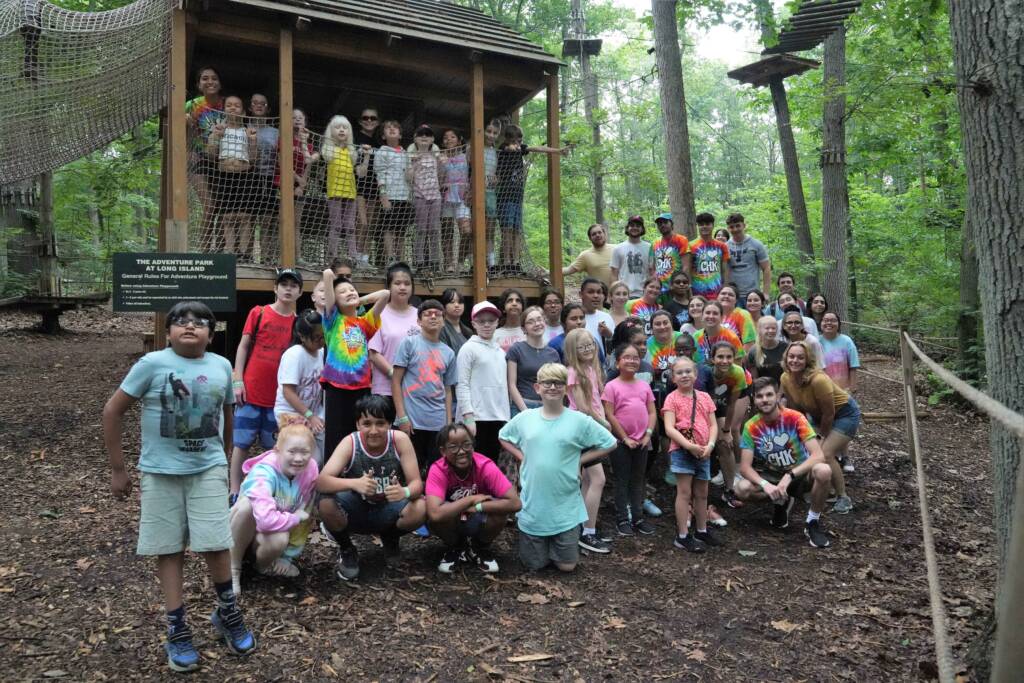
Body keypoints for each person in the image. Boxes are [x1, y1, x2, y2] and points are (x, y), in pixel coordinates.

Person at [103, 302, 255, 671]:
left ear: (212, 332)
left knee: (216, 543)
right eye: (181, 322)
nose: (190, 327)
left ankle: (227, 612)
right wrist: (118, 469)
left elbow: (227, 414)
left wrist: (226, 455)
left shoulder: (220, 365)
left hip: (208, 468)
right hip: (161, 472)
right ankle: (177, 626)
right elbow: (112, 411)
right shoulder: (152, 365)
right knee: (169, 548)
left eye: (200, 322)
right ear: (168, 331)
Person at [499, 363, 616, 571]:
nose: (552, 387)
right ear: (537, 388)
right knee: (535, 565)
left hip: (565, 509)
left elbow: (609, 442)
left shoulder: (579, 421)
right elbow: (503, 436)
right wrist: (521, 456)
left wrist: (580, 460)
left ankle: (564, 543)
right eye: (547, 383)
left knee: (566, 566)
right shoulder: (526, 418)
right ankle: (540, 545)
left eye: (558, 383)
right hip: (533, 507)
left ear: (566, 388)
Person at [317, 395, 427, 580]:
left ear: (390, 424)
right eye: (367, 423)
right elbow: (321, 481)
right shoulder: (350, 443)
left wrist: (404, 491)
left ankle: (390, 537)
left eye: (380, 423)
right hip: (355, 507)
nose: (374, 430)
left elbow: (417, 484)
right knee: (326, 504)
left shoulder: (399, 441)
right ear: (358, 425)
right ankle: (347, 549)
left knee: (421, 507)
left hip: (389, 507)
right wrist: (354, 483)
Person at [734, 377, 833, 548]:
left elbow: (818, 455)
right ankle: (780, 501)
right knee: (741, 489)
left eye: (769, 395)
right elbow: (744, 467)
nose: (765, 400)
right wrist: (766, 484)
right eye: (759, 396)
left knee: (823, 470)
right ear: (754, 400)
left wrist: (790, 475)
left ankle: (812, 522)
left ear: (777, 396)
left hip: (800, 473)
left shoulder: (794, 418)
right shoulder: (751, 426)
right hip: (772, 475)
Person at [230, 268, 301, 497]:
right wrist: (238, 380)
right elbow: (243, 345)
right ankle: (234, 490)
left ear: (300, 292)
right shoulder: (259, 312)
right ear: (275, 288)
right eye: (284, 284)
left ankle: (268, 492)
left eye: (293, 285)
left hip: (279, 398)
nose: (288, 289)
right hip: (250, 392)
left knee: (274, 447)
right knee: (241, 443)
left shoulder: (299, 324)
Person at [229, 423, 318, 595]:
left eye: (304, 452)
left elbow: (305, 510)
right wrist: (294, 518)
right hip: (240, 531)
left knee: (280, 539)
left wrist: (287, 556)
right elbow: (265, 521)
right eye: (291, 452)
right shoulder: (263, 473)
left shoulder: (311, 470)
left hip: (264, 537)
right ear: (278, 451)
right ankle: (232, 568)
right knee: (248, 506)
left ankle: (263, 565)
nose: (298, 458)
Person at [426, 423, 522, 573]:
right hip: (452, 518)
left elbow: (515, 503)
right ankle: (457, 547)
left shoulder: (485, 466)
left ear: (473, 445)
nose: (461, 451)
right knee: (431, 514)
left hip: (479, 516)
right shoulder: (438, 470)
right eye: (453, 447)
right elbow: (435, 513)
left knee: (500, 511)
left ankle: (479, 547)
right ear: (443, 451)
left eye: (466, 445)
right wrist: (470, 500)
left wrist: (477, 507)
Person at [319, 268, 390, 461]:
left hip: (361, 387)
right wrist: (336, 282)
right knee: (336, 434)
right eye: (342, 292)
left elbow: (385, 294)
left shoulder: (364, 323)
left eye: (352, 290)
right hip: (336, 387)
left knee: (359, 433)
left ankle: (357, 470)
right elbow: (327, 274)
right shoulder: (332, 320)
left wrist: (360, 301)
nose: (349, 293)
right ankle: (333, 479)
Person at [780, 340, 859, 514]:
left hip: (844, 414)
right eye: (791, 356)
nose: (795, 361)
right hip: (817, 415)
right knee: (808, 451)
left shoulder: (818, 380)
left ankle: (843, 497)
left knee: (825, 453)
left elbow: (829, 413)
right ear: (786, 358)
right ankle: (825, 489)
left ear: (808, 360)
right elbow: (796, 408)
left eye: (800, 357)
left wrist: (822, 437)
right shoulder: (785, 377)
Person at [392, 299, 457, 474]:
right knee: (409, 470)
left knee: (436, 471)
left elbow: (448, 389)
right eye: (428, 314)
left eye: (438, 314)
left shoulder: (449, 353)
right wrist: (402, 417)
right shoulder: (409, 343)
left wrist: (448, 423)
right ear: (419, 321)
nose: (433, 317)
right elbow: (396, 381)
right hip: (412, 420)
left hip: (438, 422)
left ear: (443, 320)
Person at [663, 356, 720, 552]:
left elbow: (713, 424)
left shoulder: (704, 397)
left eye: (688, 371)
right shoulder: (672, 398)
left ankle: (702, 530)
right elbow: (669, 428)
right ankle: (682, 535)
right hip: (682, 451)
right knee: (684, 492)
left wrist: (710, 445)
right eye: (679, 372)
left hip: (704, 451)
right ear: (673, 378)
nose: (684, 375)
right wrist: (688, 446)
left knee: (702, 492)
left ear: (695, 374)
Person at [495, 124, 569, 273]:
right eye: (517, 139)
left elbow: (538, 148)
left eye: (520, 139)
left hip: (517, 197)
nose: (519, 142)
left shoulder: (520, 149)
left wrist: (558, 151)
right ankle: (507, 261)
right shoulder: (503, 149)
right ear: (509, 139)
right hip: (505, 197)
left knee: (516, 229)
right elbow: (506, 148)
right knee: (507, 229)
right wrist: (510, 147)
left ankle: (515, 262)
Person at [564, 328, 612, 553]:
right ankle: (588, 532)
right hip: (584, 428)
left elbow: (596, 401)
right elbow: (583, 407)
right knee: (598, 479)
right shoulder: (573, 372)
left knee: (586, 480)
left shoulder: (592, 369)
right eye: (582, 347)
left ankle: (582, 526)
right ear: (573, 350)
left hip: (593, 426)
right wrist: (603, 425)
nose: (587, 350)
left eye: (590, 345)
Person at [602, 344, 657, 536]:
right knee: (622, 479)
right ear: (617, 363)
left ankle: (638, 517)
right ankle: (622, 518)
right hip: (621, 443)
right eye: (627, 357)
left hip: (642, 441)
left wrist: (648, 434)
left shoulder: (644, 386)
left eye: (635, 358)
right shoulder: (611, 386)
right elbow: (609, 414)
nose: (632, 361)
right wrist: (624, 438)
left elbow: (652, 411)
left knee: (638, 479)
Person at [455, 301, 510, 460]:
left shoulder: (500, 351)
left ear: (497, 323)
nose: (486, 324)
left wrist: (506, 416)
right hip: (476, 418)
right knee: (474, 463)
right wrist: (468, 417)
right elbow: (462, 383)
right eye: (481, 321)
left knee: (491, 464)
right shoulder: (468, 348)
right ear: (473, 324)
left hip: (497, 417)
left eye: (491, 321)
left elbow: (502, 386)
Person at [207, 95, 258, 259]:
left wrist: (252, 141)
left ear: (243, 112)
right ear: (224, 110)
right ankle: (229, 253)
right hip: (224, 175)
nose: (233, 108)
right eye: (229, 105)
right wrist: (215, 136)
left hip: (244, 175)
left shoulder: (247, 131)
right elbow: (210, 154)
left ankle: (244, 254)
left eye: (237, 105)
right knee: (227, 217)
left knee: (244, 217)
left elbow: (254, 158)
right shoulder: (219, 129)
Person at [273, 309, 326, 464]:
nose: (321, 341)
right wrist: (310, 416)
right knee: (306, 459)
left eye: (323, 336)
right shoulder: (295, 354)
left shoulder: (321, 352)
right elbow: (288, 392)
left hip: (313, 413)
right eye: (317, 338)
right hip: (291, 414)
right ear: (302, 336)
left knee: (320, 458)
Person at [368, 262, 419, 403]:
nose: (402, 287)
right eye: (397, 283)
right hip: (385, 390)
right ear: (389, 287)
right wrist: (396, 376)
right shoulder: (378, 314)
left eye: (407, 283)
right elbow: (373, 353)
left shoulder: (420, 315)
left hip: (415, 390)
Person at [185, 66, 224, 251]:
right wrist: (187, 151)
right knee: (209, 205)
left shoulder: (227, 105)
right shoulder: (192, 105)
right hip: (197, 158)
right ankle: (205, 250)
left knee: (222, 208)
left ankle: (221, 250)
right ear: (199, 85)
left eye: (214, 78)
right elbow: (179, 131)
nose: (210, 82)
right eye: (205, 79)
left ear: (220, 83)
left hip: (221, 161)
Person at [707, 341, 748, 510]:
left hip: (721, 408)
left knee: (725, 444)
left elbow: (731, 405)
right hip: (701, 410)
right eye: (720, 357)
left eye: (729, 357)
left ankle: (729, 490)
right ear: (712, 358)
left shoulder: (737, 373)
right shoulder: (704, 372)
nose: (725, 361)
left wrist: (726, 431)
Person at [322, 115, 368, 261]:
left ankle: (353, 257)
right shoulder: (329, 150)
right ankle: (332, 257)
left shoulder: (351, 152)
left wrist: (366, 156)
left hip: (350, 193)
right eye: (338, 127)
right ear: (331, 131)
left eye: (345, 128)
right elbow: (326, 159)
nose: (342, 130)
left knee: (350, 226)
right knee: (336, 225)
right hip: (335, 192)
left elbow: (361, 173)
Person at [507, 306, 561, 416]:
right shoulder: (516, 349)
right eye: (530, 322)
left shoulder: (553, 353)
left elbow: (558, 384)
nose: (537, 324)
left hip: (547, 407)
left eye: (539, 319)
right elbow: (511, 385)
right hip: (522, 406)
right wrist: (525, 411)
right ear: (523, 329)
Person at [375, 119, 414, 265]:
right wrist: (383, 195)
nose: (392, 129)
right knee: (389, 228)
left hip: (405, 197)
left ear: (400, 135)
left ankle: (402, 259)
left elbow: (409, 177)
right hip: (390, 196)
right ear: (383, 136)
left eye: (395, 128)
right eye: (388, 128)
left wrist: (413, 168)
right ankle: (391, 258)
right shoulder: (382, 151)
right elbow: (380, 174)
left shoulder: (405, 153)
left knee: (401, 230)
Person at [408, 124, 444, 272]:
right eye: (420, 134)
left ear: (432, 139)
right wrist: (414, 162)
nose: (424, 137)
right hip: (419, 196)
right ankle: (419, 260)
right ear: (415, 139)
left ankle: (435, 261)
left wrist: (442, 164)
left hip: (435, 196)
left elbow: (441, 176)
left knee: (434, 229)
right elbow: (408, 178)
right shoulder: (410, 156)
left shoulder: (436, 157)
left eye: (427, 134)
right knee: (421, 229)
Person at [248, 94, 279, 257]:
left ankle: (266, 256)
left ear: (268, 108)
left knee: (267, 219)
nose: (259, 106)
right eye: (255, 103)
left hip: (269, 178)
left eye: (263, 103)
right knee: (250, 217)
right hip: (248, 178)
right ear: (250, 107)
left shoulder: (275, 132)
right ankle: (247, 255)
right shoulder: (244, 127)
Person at [440, 129, 472, 269]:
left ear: (459, 140)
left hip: (462, 197)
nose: (449, 139)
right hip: (445, 197)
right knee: (447, 231)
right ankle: (449, 264)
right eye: (446, 137)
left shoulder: (466, 155)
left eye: (453, 136)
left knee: (466, 231)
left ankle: (460, 261)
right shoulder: (440, 157)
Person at [354, 107, 381, 266]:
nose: (369, 121)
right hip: (358, 186)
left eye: (372, 118)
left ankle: (365, 258)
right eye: (366, 118)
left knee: (371, 224)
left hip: (375, 187)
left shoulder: (379, 143)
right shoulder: (355, 138)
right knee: (361, 222)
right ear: (360, 121)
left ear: (377, 122)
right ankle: (356, 257)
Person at [724, 213, 771, 302]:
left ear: (744, 226)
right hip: (733, 295)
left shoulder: (756, 244)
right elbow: (724, 271)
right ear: (728, 228)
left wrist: (765, 293)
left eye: (738, 226)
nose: (735, 229)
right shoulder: (725, 247)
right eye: (731, 227)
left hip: (752, 295)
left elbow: (766, 268)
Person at [610, 215, 654, 298]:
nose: (635, 228)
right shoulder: (618, 248)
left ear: (642, 229)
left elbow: (652, 272)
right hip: (623, 294)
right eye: (632, 225)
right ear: (627, 228)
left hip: (644, 294)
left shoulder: (649, 248)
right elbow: (614, 274)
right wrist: (613, 293)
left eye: (638, 226)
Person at [690, 212, 730, 301]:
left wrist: (725, 287)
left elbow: (725, 270)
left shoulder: (722, 246)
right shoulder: (691, 246)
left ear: (712, 225)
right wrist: (689, 291)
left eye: (707, 224)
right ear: (697, 226)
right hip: (697, 291)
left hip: (716, 291)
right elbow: (688, 270)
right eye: (701, 224)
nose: (704, 226)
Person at [819, 311, 860, 392]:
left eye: (833, 320)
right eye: (826, 320)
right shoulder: (816, 341)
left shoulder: (847, 341)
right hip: (821, 389)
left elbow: (853, 366)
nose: (829, 323)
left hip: (843, 390)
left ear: (839, 324)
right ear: (821, 323)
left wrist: (853, 387)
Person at [693, 300, 745, 365]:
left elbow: (738, 366)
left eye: (715, 313)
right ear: (702, 316)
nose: (711, 316)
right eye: (708, 313)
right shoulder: (695, 337)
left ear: (722, 317)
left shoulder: (731, 337)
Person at [650, 213, 691, 293]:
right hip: (659, 288)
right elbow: (653, 267)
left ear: (671, 224)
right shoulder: (655, 243)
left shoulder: (681, 240)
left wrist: (681, 284)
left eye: (665, 222)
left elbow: (686, 266)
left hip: (676, 286)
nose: (662, 225)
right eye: (660, 223)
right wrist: (654, 283)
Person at [746, 315, 786, 384]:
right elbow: (755, 378)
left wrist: (779, 393)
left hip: (783, 388)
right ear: (759, 330)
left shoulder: (785, 347)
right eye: (767, 328)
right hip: (764, 390)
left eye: (773, 328)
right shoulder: (753, 351)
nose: (771, 331)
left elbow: (787, 374)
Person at [716, 284, 756, 352]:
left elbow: (749, 343)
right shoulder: (713, 314)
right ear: (717, 297)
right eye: (723, 293)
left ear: (736, 300)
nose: (726, 296)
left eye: (731, 295)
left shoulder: (742, 314)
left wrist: (740, 361)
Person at [580, 277, 615, 348]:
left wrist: (609, 335)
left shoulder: (606, 317)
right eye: (590, 292)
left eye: (599, 292)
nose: (596, 296)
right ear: (581, 294)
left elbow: (614, 343)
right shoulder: (573, 317)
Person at [439, 288, 473, 356]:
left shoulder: (468, 331)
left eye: (460, 302)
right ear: (444, 306)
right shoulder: (440, 328)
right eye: (452, 302)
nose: (457, 305)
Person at [493, 288, 527, 353]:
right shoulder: (495, 334)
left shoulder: (529, 332)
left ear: (522, 308)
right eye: (510, 301)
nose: (514, 303)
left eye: (518, 301)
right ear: (503, 308)